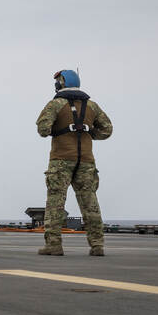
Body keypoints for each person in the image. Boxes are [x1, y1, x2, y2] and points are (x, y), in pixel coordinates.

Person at [36, 69, 113, 256]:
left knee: (55, 203)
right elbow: (107, 129)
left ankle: (54, 245)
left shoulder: (56, 104)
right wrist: (89, 132)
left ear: (62, 83)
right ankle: (97, 245)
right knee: (90, 203)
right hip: (86, 161)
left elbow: (43, 129)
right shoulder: (92, 106)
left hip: (61, 160)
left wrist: (59, 129)